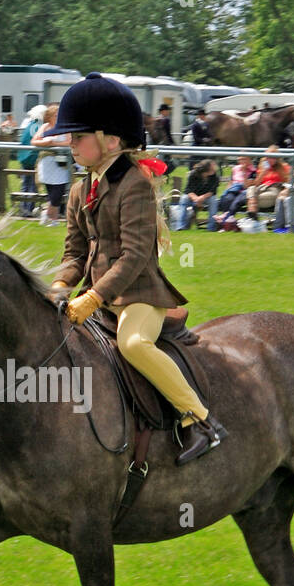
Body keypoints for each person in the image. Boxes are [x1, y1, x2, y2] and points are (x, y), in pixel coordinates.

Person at [48, 72, 225, 464]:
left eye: (78, 137)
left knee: (132, 345)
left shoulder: (135, 185)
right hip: (98, 296)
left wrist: (93, 297)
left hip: (140, 295)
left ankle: (200, 420)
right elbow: (75, 252)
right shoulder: (80, 190)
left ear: (110, 140)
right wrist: (60, 287)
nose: (70, 143)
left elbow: (134, 255)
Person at [32, 103, 72, 226]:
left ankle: (45, 212)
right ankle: (53, 220)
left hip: (61, 163)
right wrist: (47, 143)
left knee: (58, 191)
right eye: (56, 115)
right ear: (49, 116)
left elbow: (69, 142)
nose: (58, 116)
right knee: (50, 192)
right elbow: (34, 141)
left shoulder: (65, 127)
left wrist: (53, 142)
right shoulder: (45, 127)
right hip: (46, 162)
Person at [212, 154, 257, 227]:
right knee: (227, 199)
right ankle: (227, 221)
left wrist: (244, 172)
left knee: (236, 202)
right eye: (239, 159)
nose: (241, 161)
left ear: (249, 160)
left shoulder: (253, 170)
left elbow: (246, 186)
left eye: (244, 159)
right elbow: (231, 182)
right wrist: (226, 192)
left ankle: (224, 221)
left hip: (245, 191)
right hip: (234, 189)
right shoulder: (235, 169)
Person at [16, 104, 44, 217]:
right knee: (32, 185)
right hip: (32, 159)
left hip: (24, 158)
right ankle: (29, 210)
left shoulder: (30, 125)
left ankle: (24, 209)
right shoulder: (38, 126)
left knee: (25, 184)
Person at [244, 149, 287, 220]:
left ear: (277, 158)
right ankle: (252, 212)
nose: (269, 160)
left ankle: (251, 214)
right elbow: (256, 184)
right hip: (262, 188)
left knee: (251, 200)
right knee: (251, 189)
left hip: (274, 189)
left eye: (272, 157)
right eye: (267, 157)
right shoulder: (262, 168)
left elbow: (288, 182)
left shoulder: (284, 167)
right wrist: (264, 172)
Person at [178, 159, 219, 229]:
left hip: (207, 197)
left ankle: (212, 227)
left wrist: (201, 198)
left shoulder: (214, 176)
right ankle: (181, 226)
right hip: (193, 196)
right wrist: (196, 199)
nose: (215, 169)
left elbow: (212, 191)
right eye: (212, 167)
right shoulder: (193, 174)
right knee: (184, 198)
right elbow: (188, 190)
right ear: (206, 169)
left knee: (213, 200)